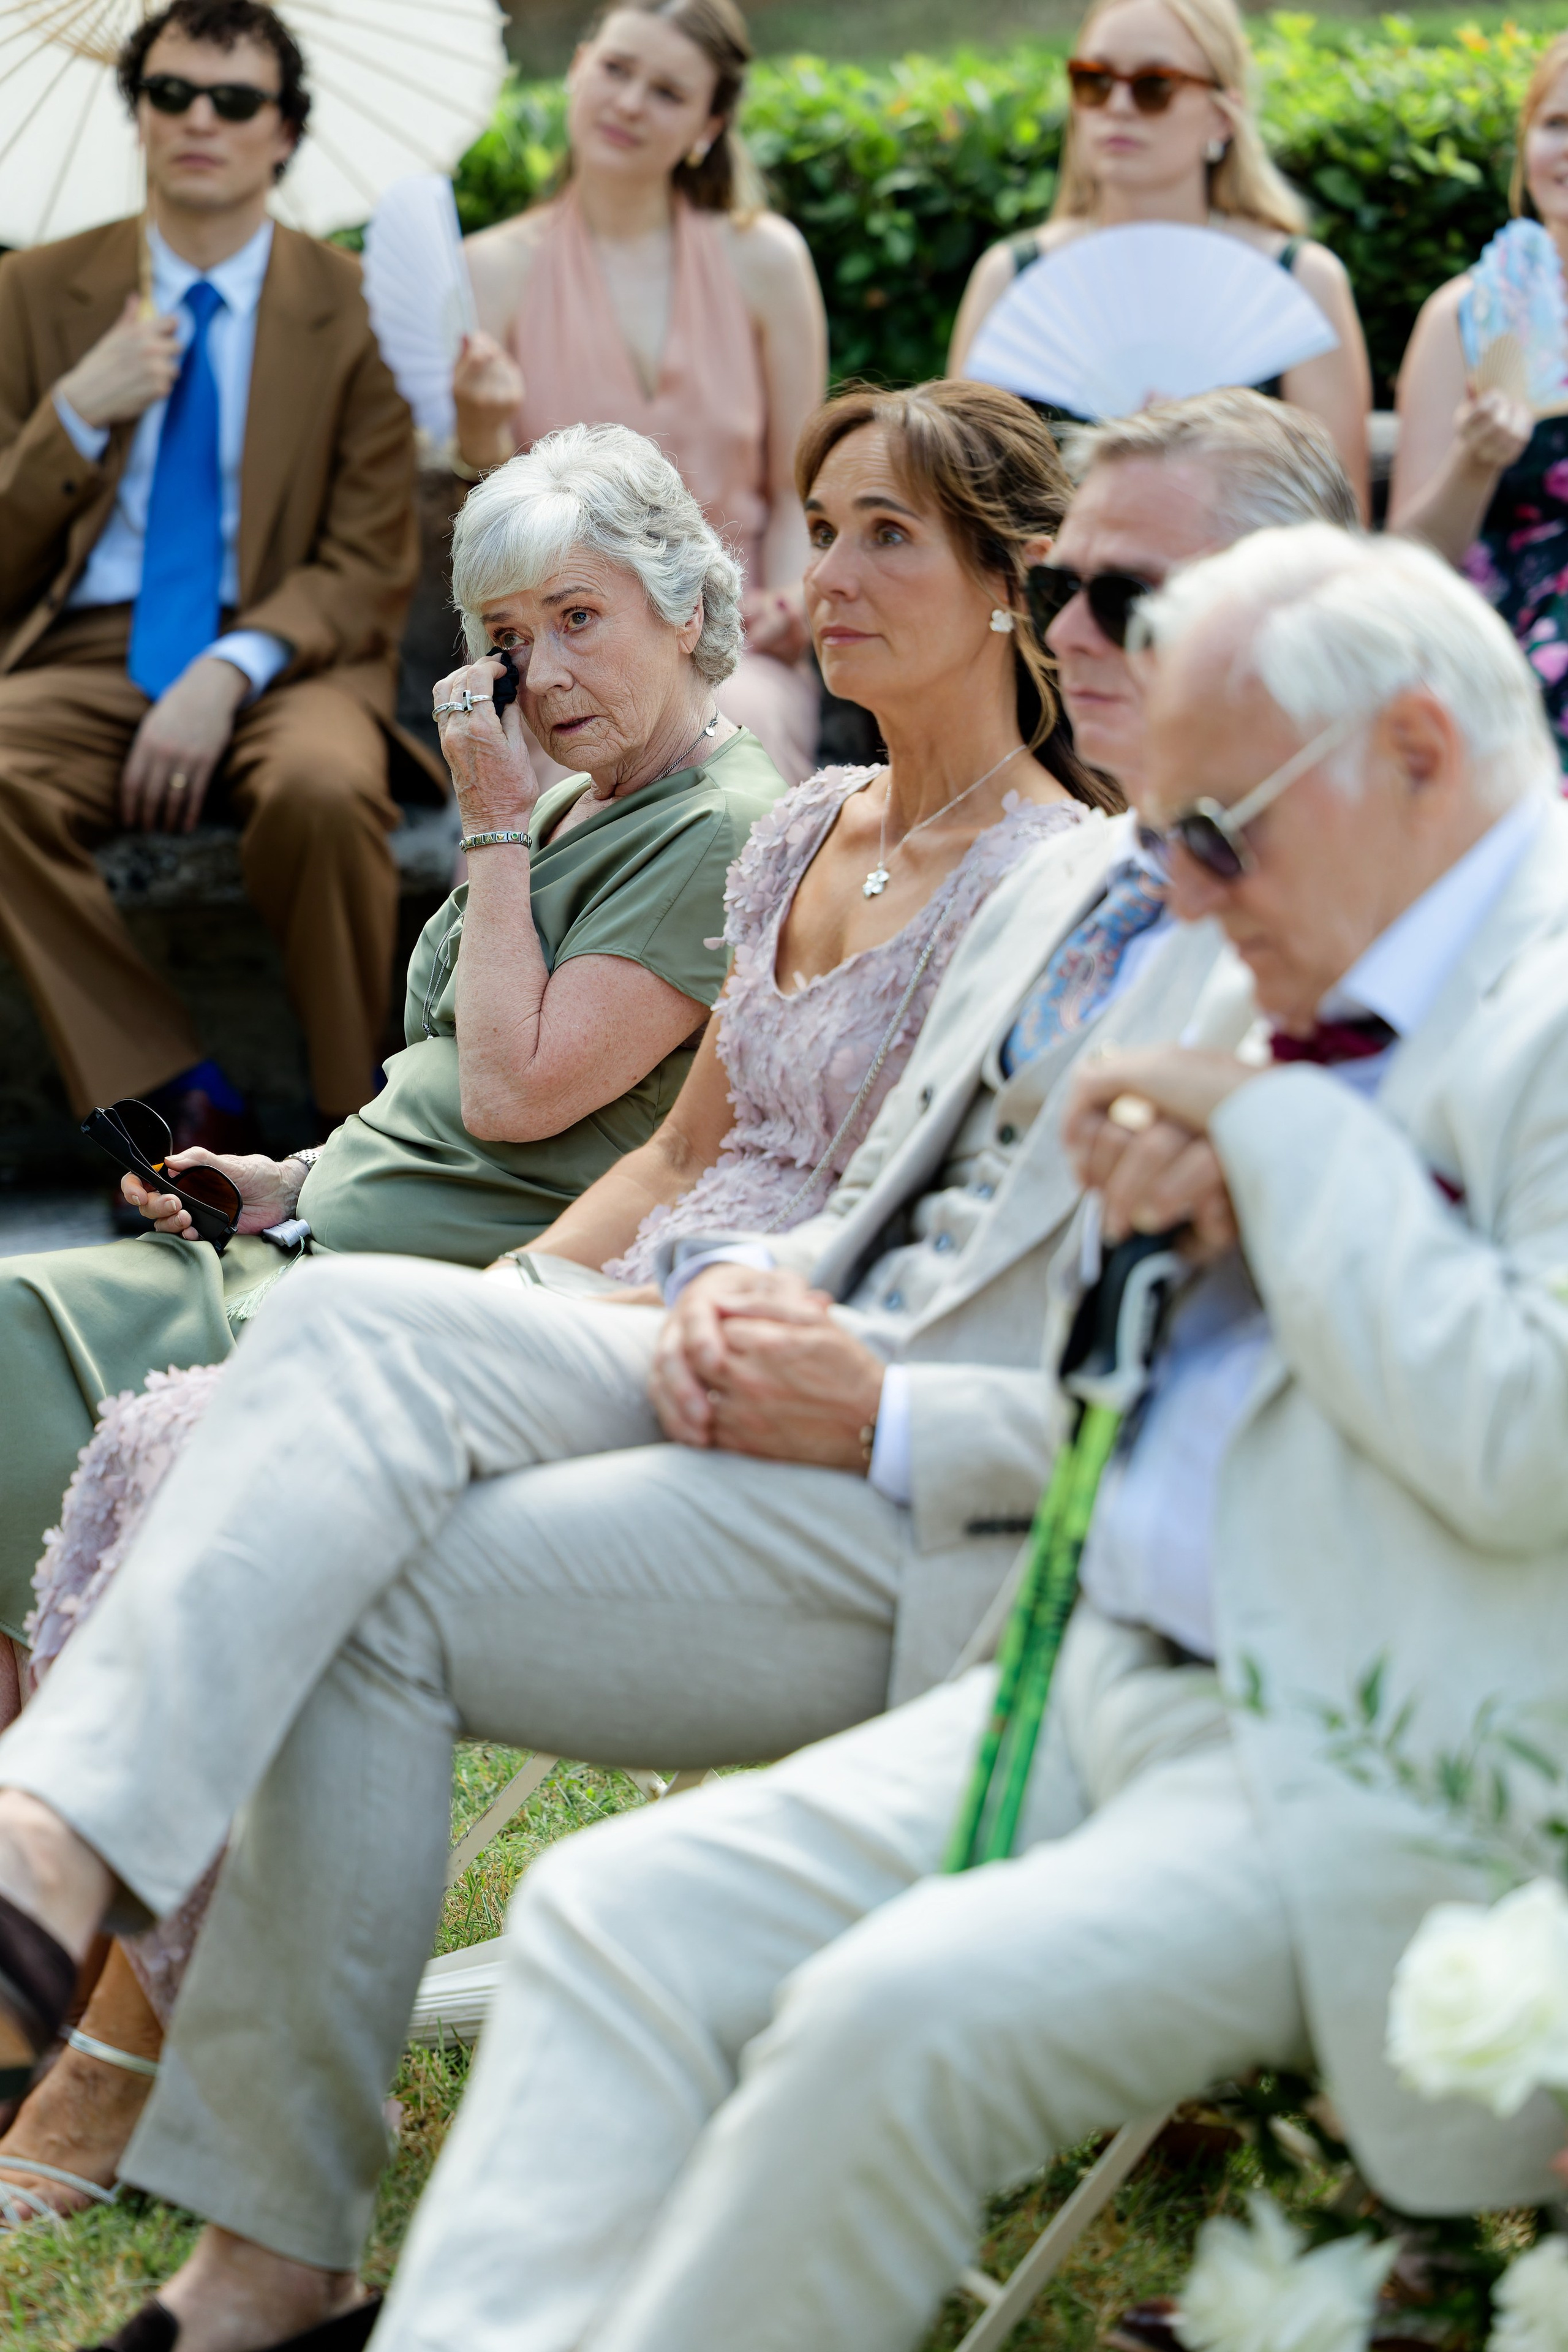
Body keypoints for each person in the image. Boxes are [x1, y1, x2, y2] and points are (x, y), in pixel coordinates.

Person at [0, 391, 1357, 2349]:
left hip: (1005, 1537)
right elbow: (840, 1204)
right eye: (1069, 583)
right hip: (785, 1353)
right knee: (337, 1394)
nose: (1070, 629)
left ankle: (65, 1851)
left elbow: (1276, 1421)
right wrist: (722, 1301)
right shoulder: (1090, 889)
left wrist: (869, 1392)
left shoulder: (1324, 948)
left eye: (1118, 593)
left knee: (324, 1397)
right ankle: (260, 2251)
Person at [374, 523, 1568, 2352]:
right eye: (1156, 831)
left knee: (884, 2012)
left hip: (1353, 1748)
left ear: (1413, 749)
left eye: (1215, 830)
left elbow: (1522, 1436)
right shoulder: (1296, 937)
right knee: (614, 1906)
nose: (1177, 884)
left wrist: (1274, 1143)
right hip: (1098, 1665)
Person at [0, 420, 785, 1648]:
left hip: (412, 1322)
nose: (545, 674)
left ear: (682, 607)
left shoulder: (716, 826)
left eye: (579, 616)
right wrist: (284, 1180)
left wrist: (490, 826)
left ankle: (66, 1798)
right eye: (511, 642)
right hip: (303, 1257)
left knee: (9, 1362)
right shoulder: (580, 798)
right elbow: (436, 1082)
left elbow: (513, 1100)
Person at [0, 0, 439, 1157]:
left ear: (283, 132)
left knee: (324, 795)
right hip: (88, 650)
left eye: (234, 100)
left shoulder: (354, 311)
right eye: (171, 93)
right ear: (136, 117)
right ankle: (171, 1099)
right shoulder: (35, 294)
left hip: (286, 655)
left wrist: (226, 670)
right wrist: (73, 420)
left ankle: (363, 1133)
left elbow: (366, 563)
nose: (201, 119)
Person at [451, 0, 829, 786]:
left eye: (666, 91)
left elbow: (797, 487)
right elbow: (491, 516)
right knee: (563, 759)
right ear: (579, 69)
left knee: (737, 727)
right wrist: (481, 428)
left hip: (730, 638)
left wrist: (793, 597)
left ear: (709, 125)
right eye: (616, 70)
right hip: (560, 642)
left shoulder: (767, 261)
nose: (628, 102)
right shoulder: (492, 271)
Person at [948, 0, 1370, 511]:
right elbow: (964, 510)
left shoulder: (1305, 281)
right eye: (1093, 81)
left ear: (1220, 117)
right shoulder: (1010, 276)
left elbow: (1339, 522)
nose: (1117, 106)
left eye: (1154, 86)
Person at [1390, 33, 1568, 769]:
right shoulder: (1461, 320)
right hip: (1509, 653)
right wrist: (1472, 461)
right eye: (1556, 124)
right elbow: (1406, 561)